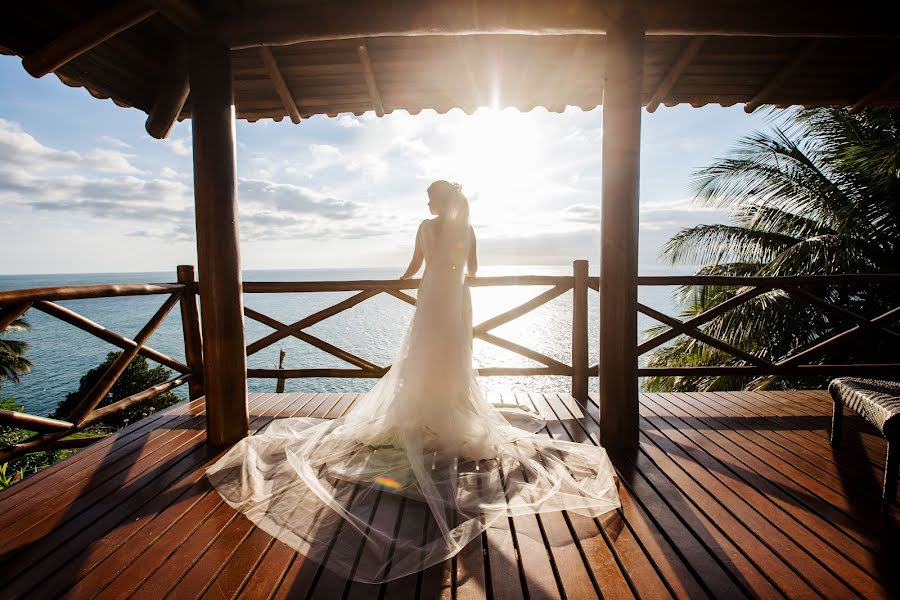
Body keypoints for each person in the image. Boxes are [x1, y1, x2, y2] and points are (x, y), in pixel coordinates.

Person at [207, 180, 620, 584]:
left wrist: (408, 277)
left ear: (439, 202)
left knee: (420, 358)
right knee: (453, 359)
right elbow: (473, 269)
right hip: (456, 299)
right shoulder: (467, 229)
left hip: (431, 298)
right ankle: (446, 409)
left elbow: (413, 268)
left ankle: (422, 411)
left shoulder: (426, 229)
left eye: (429, 197)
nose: (426, 203)